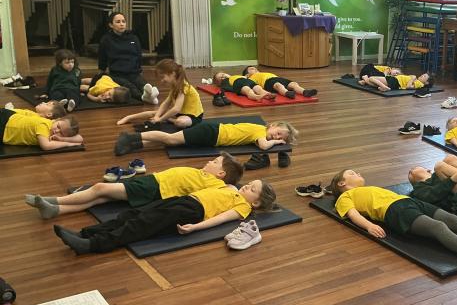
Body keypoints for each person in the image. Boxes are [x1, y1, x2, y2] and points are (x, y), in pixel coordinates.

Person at [330, 167, 457, 281]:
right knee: (438, 228)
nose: (358, 173)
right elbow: (352, 214)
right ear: (342, 183)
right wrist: (368, 226)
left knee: (453, 220)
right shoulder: (345, 197)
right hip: (394, 212)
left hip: (408, 202)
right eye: (352, 173)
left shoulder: (368, 188)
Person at [52, 178, 275, 255]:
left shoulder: (243, 207)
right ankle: (85, 233)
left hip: (192, 212)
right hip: (182, 200)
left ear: (255, 202)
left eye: (252, 189)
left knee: (141, 224)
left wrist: (195, 227)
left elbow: (222, 218)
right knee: (133, 213)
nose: (247, 186)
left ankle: (92, 245)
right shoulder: (231, 188)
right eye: (249, 183)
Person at [25, 153, 243, 219]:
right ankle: (56, 210)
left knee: (100, 188)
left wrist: (240, 191)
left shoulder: (215, 183)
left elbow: (228, 195)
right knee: (102, 198)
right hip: (152, 184)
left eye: (215, 162)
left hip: (153, 187)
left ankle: (54, 200)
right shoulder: (206, 176)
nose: (209, 161)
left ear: (221, 174)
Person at [114, 119, 297, 156]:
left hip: (212, 135)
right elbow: (263, 146)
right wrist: (276, 142)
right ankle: (130, 137)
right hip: (211, 132)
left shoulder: (258, 130)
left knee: (172, 142)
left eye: (279, 136)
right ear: (272, 125)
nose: (275, 136)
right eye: (278, 132)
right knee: (170, 139)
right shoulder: (260, 132)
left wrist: (277, 140)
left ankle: (134, 144)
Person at [116, 59, 203, 128]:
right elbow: (165, 103)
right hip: (181, 113)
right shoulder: (174, 86)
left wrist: (160, 119)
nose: (161, 81)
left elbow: (176, 109)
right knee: (155, 113)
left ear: (172, 73)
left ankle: (170, 119)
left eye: (163, 77)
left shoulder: (183, 86)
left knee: (180, 122)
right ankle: (129, 117)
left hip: (193, 116)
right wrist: (157, 116)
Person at [98, 11, 155, 103]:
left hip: (133, 72)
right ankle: (142, 98)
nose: (121, 24)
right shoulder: (106, 40)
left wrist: (139, 70)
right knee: (130, 87)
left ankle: (152, 96)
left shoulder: (133, 38)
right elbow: (102, 58)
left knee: (144, 85)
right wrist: (101, 71)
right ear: (111, 25)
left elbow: (138, 55)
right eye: (118, 22)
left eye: (123, 21)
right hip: (117, 74)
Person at [0, 107, 81, 150]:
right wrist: (68, 144)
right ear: (56, 120)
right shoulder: (44, 126)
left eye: (61, 133)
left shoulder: (53, 128)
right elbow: (46, 146)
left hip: (7, 122)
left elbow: (80, 138)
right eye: (58, 126)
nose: (56, 131)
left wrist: (62, 139)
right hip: (4, 124)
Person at [242, 66, 317, 98]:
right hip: (267, 82)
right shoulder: (251, 78)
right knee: (278, 85)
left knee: (293, 84)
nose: (255, 69)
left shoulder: (262, 73)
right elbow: (248, 83)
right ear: (247, 74)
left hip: (277, 78)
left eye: (255, 68)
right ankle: (287, 93)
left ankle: (304, 91)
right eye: (251, 69)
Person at [362, 72, 431, 92]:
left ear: (426, 82)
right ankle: (365, 80)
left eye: (424, 76)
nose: (422, 75)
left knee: (371, 78)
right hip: (396, 80)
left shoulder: (420, 84)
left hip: (395, 81)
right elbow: (405, 79)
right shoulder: (416, 80)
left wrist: (412, 79)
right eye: (423, 74)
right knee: (374, 83)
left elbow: (408, 87)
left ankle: (384, 87)